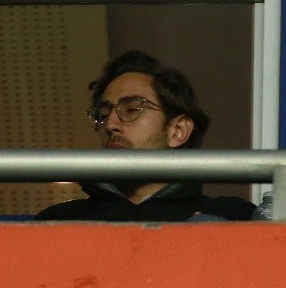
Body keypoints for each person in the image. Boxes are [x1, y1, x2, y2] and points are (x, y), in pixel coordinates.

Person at [35, 50, 255, 221]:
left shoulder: (232, 217)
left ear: (178, 131)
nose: (111, 125)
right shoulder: (60, 221)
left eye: (132, 109)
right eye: (102, 115)